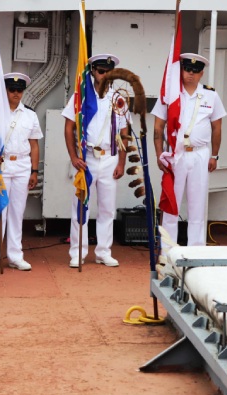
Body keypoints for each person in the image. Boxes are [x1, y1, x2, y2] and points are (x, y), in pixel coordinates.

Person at [152, 53, 226, 247]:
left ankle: (195, 251)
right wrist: (159, 154)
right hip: (176, 154)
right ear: (181, 70)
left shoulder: (211, 94)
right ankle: (168, 252)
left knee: (197, 205)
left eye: (195, 71)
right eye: (187, 69)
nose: (190, 74)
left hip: (200, 154)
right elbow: (158, 127)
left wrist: (215, 155)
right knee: (171, 204)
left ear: (201, 74)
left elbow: (217, 127)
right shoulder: (170, 94)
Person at [62, 53, 129, 268]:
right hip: (87, 157)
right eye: (101, 70)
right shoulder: (80, 96)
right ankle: (77, 252)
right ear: (93, 72)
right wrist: (73, 156)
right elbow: (69, 127)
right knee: (81, 205)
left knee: (107, 208)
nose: (105, 74)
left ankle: (103, 251)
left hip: (109, 157)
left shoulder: (119, 98)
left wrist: (121, 163)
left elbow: (124, 132)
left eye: (109, 71)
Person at [0, 72, 43, 272]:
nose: (16, 93)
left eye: (19, 90)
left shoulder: (30, 114)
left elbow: (34, 145)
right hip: (0, 165)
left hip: (22, 165)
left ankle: (15, 255)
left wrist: (34, 170)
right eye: (12, 90)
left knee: (16, 212)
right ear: (4, 91)